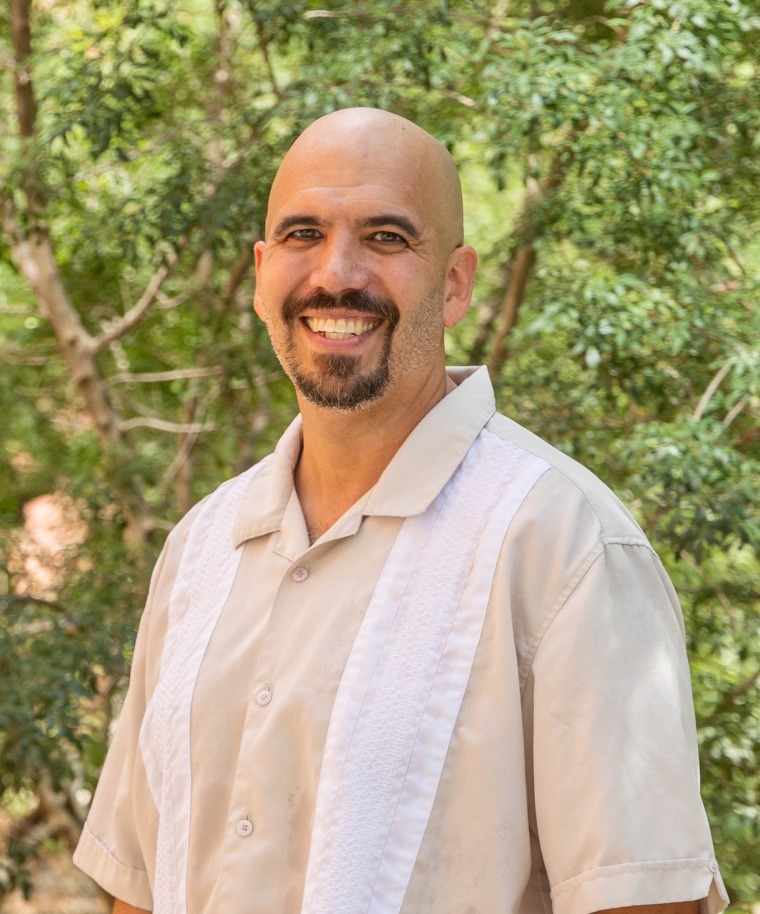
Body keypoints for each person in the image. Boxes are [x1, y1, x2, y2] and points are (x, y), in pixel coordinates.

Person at [74, 108, 728, 914]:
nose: (336, 272)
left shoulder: (565, 545)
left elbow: (645, 901)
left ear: (454, 283)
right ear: (260, 272)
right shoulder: (201, 549)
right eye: (302, 234)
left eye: (386, 237)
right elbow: (138, 884)